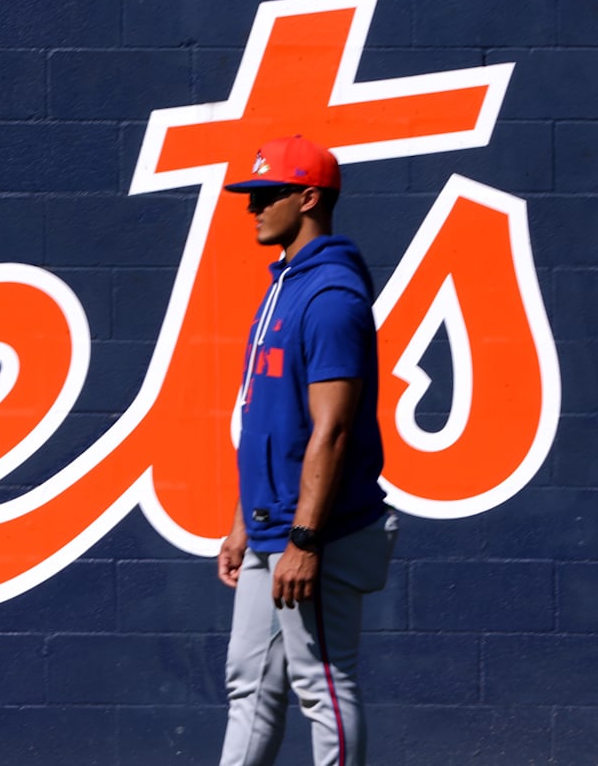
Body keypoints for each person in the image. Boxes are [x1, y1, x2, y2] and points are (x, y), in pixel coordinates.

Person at [216, 135, 399, 766]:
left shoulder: (330, 298)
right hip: (270, 527)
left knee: (322, 687)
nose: (253, 208)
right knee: (249, 683)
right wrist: (244, 520)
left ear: (309, 197)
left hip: (314, 533)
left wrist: (305, 540)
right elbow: (266, 419)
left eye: (266, 195)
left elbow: (333, 429)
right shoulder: (283, 287)